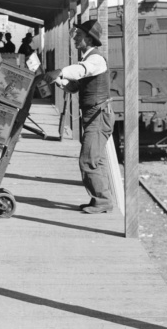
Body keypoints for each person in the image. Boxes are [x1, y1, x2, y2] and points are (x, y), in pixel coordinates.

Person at [43, 19, 113, 214]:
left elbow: (81, 71)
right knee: (95, 160)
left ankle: (102, 201)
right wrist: (58, 79)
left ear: (89, 39)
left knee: (87, 160)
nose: (75, 38)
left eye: (78, 36)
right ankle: (102, 199)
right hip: (93, 115)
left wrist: (61, 71)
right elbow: (74, 87)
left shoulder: (95, 60)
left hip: (98, 115)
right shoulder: (87, 60)